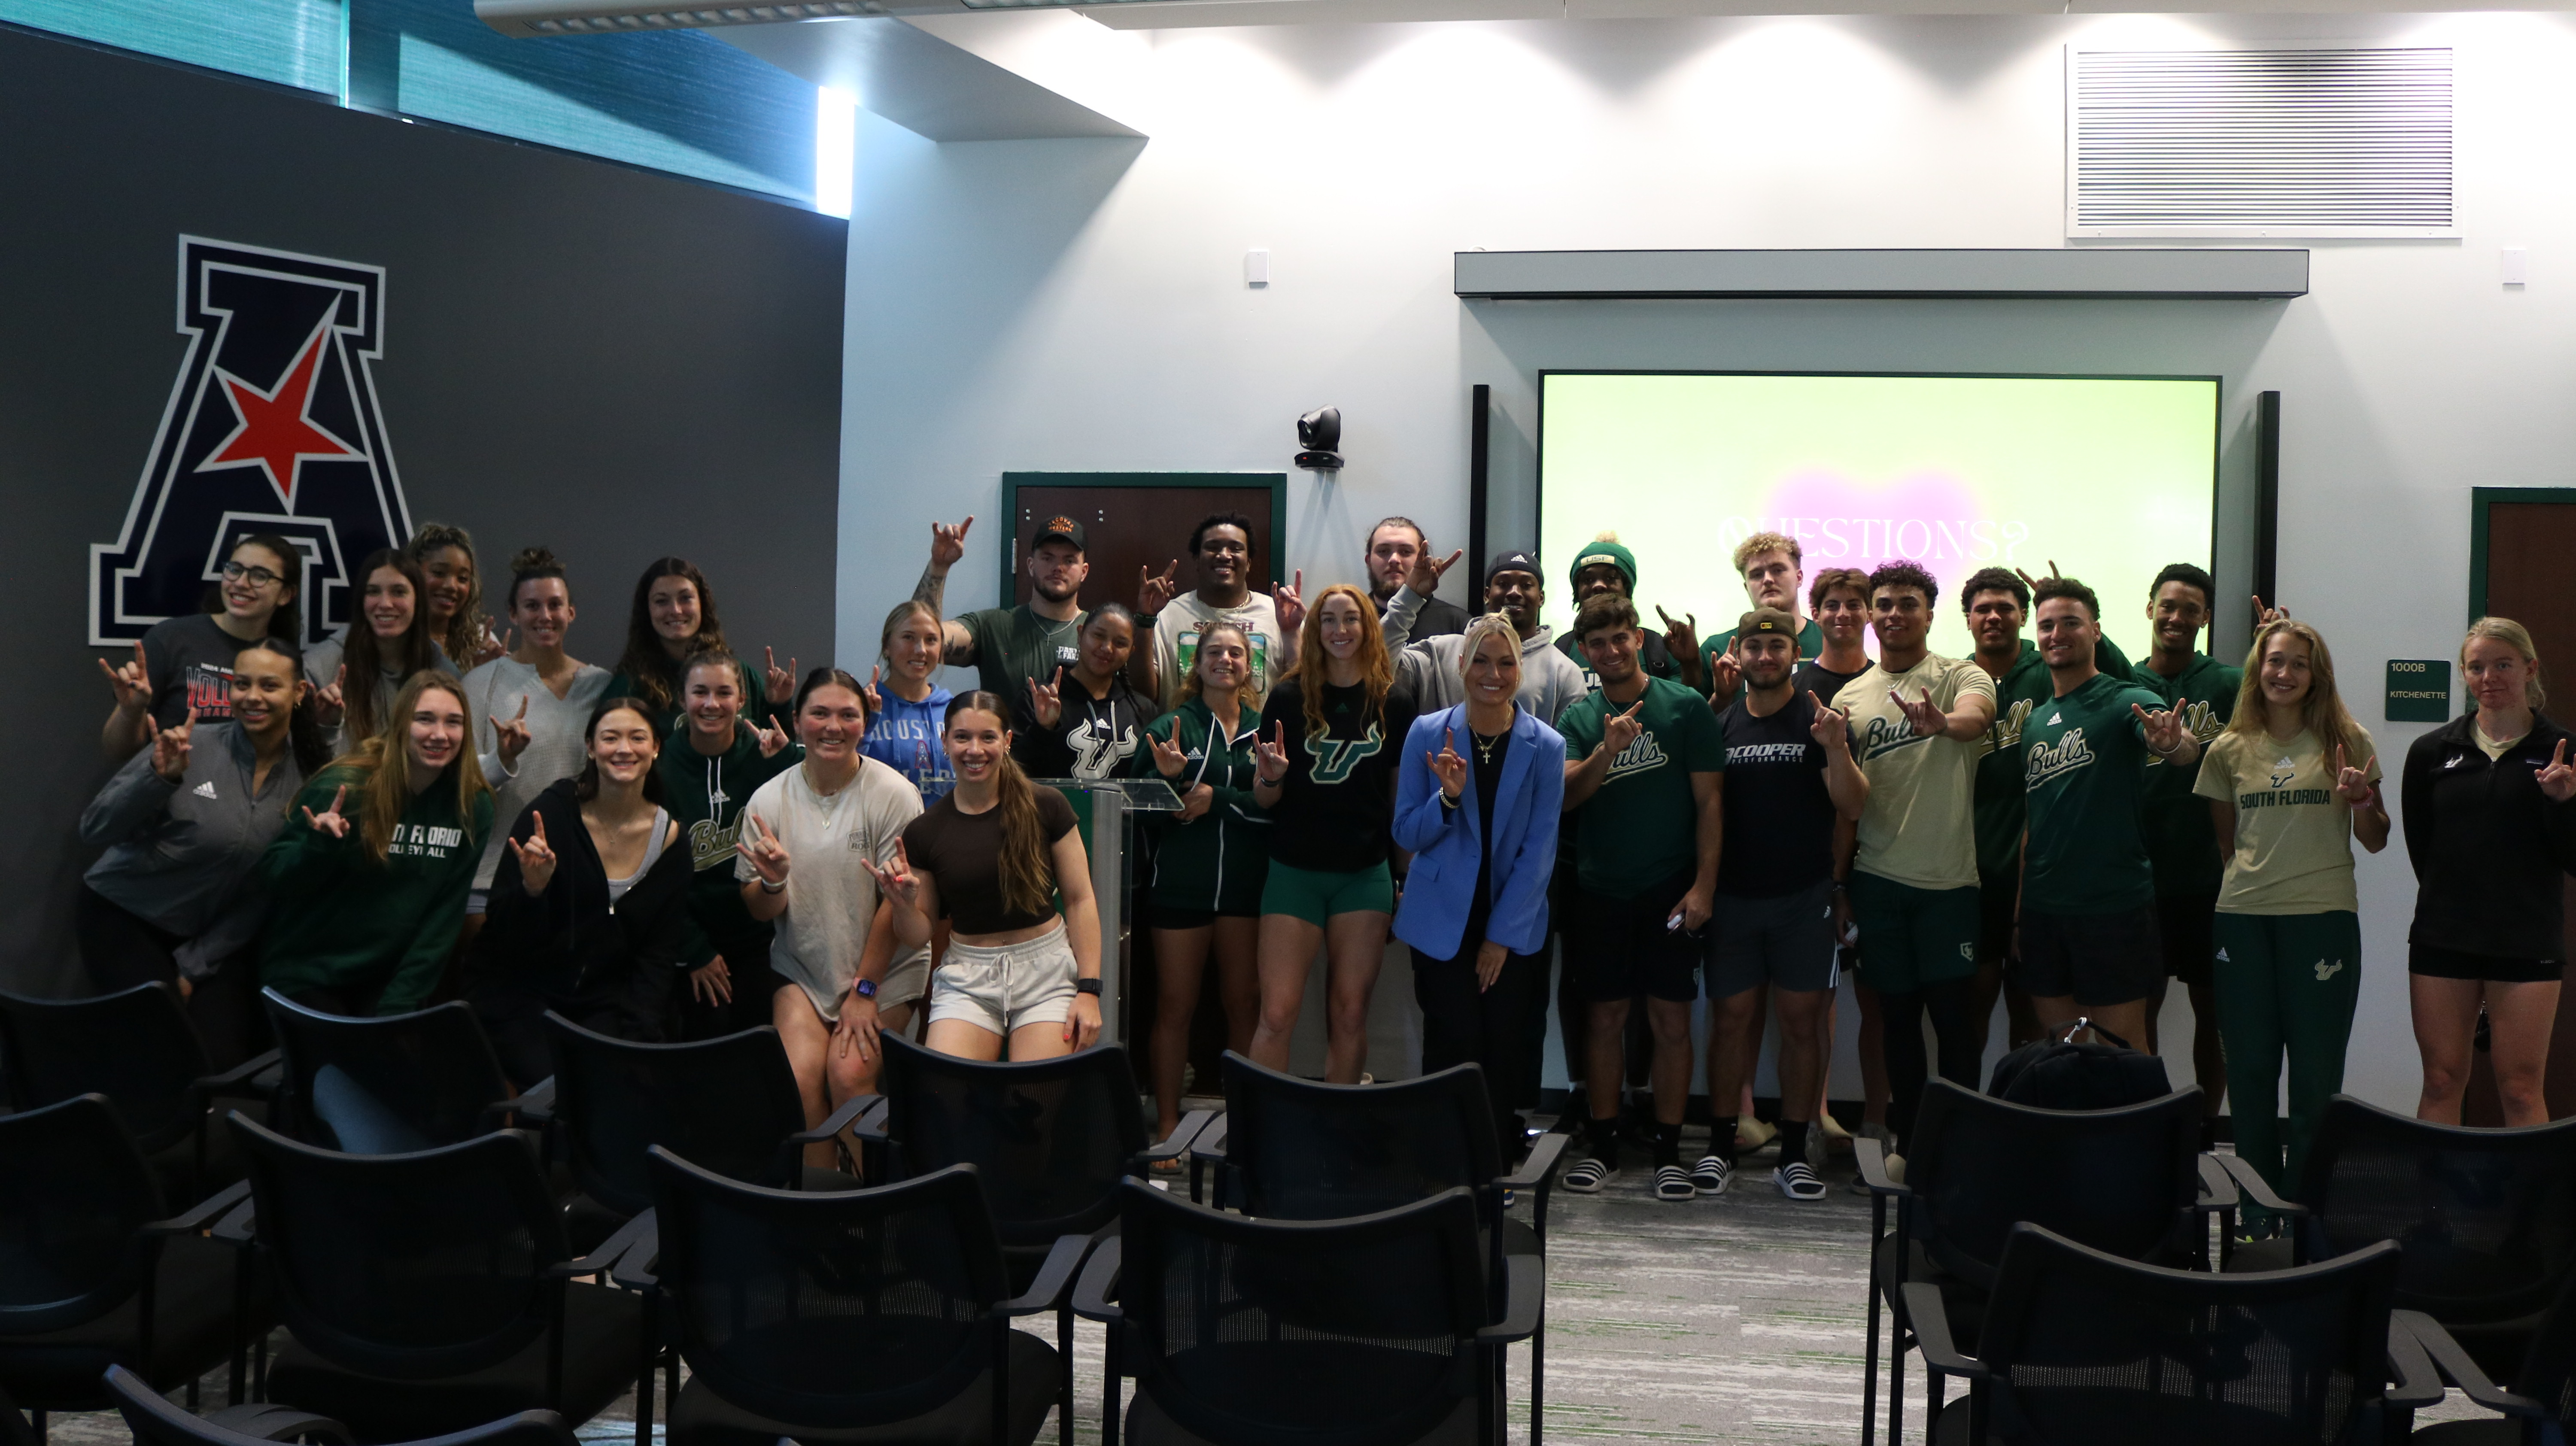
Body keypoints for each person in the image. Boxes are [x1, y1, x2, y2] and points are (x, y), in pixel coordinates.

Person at [2193, 619, 2387, 1213]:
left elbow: (2377, 839)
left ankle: (2306, 1211)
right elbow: (2229, 847)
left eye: (2298, 664)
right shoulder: (2229, 748)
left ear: (2316, 675)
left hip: (2321, 920)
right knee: (2249, 1075)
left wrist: (2361, 802)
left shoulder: (2347, 740)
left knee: (2314, 1079)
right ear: (2259, 668)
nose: (2285, 674)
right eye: (2276, 661)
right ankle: (2256, 1215)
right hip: (2244, 922)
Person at [79, 638, 328, 1066]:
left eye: (270, 685)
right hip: (126, 916)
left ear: (299, 693)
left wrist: (195, 965)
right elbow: (95, 828)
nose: (252, 697)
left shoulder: (311, 777)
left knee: (223, 1060)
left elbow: (264, 891)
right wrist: (158, 779)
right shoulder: (191, 744)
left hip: (214, 935)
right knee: (164, 1048)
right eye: (242, 683)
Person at [1554, 594, 1724, 1201]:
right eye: (1597, 644)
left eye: (1620, 638)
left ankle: (1670, 1151)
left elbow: (1710, 803)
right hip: (1600, 891)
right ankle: (1602, 1147)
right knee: (1604, 1019)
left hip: (1670, 893)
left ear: (1637, 638)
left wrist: (1704, 887)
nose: (1610, 651)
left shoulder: (1684, 708)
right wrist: (1608, 750)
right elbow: (1569, 799)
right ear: (1585, 652)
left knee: (1672, 1021)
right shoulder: (1580, 716)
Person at [1837, 562, 1996, 1164]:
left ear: (1929, 614)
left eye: (1909, 603)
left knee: (1955, 1026)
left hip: (1949, 885)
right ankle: (1911, 1143)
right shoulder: (1851, 696)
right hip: (1877, 881)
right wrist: (1840, 886)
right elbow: (1846, 804)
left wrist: (1943, 723)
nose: (1895, 614)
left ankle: (1960, 1147)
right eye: (1885, 604)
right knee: (1897, 1024)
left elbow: (1977, 718)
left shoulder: (1960, 675)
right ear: (1872, 615)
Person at [1708, 608, 1868, 1201]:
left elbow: (1852, 806)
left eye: (1778, 646)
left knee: (1802, 1027)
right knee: (1730, 1024)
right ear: (1739, 653)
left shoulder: (1820, 719)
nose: (1766, 657)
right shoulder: (1722, 721)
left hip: (1806, 902)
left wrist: (1835, 750)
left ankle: (1796, 1153)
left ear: (1794, 654)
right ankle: (1721, 1146)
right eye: (1756, 647)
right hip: (1734, 902)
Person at [1393, 615, 1564, 1161]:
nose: (1494, 673)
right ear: (1462, 666)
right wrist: (1445, 799)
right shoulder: (1427, 732)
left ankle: (1490, 1167)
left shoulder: (1547, 745)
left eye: (1506, 661)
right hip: (1441, 919)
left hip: (1511, 921)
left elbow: (1539, 850)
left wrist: (1500, 938)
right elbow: (1405, 831)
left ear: (1520, 669)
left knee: (1504, 1045)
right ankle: (1444, 1161)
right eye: (1482, 660)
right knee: (1452, 1041)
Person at [732, 670, 926, 1143]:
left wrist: (864, 991)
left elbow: (893, 907)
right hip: (804, 970)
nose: (833, 726)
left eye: (848, 715)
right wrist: (774, 883)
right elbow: (758, 908)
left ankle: (864, 1211)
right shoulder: (769, 798)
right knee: (796, 1083)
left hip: (886, 975)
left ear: (866, 723)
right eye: (820, 713)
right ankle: (820, 1209)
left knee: (848, 1078)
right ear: (797, 722)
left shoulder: (894, 793)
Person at [2401, 617, 2576, 1127]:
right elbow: (2423, 851)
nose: (2489, 677)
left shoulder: (2563, 751)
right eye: (2476, 667)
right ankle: (2434, 1208)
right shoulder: (2432, 752)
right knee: (2440, 1079)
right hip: (2443, 937)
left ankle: (2533, 1210)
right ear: (2464, 674)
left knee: (2521, 1089)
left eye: (2503, 664)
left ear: (2530, 668)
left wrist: (2565, 804)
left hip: (2526, 940)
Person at [866, 693, 1106, 1062]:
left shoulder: (1048, 805)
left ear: (1007, 741)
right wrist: (902, 906)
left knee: (1035, 1099)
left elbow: (1080, 900)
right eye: (962, 737)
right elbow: (918, 935)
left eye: (988, 738)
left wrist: (1089, 991)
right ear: (945, 741)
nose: (974, 750)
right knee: (947, 1097)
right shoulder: (925, 831)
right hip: (967, 978)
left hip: (1047, 974)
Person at [1960, 567, 2139, 1061]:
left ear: (2023, 618)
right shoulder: (1955, 678)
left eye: (2006, 608)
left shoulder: (2053, 670)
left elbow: (2122, 686)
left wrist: (2063, 606)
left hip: (2038, 871)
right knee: (1971, 1004)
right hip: (1969, 870)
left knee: (2034, 1010)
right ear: (1968, 620)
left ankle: (2032, 1118)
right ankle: (1975, 1124)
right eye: (1983, 609)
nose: (1994, 617)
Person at [470, 697, 696, 1086]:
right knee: (561, 1087)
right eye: (610, 738)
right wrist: (532, 890)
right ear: (590, 748)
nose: (624, 749)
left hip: (603, 1001)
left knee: (627, 1083)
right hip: (523, 996)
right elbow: (504, 936)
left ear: (656, 747)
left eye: (637, 738)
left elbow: (657, 956)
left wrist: (638, 1042)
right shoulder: (550, 815)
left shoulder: (671, 841)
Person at [2016, 575, 2199, 1052]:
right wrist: (2019, 913)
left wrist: (2172, 741)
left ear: (2096, 630)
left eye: (2071, 622)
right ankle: (2072, 1131)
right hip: (2043, 909)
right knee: (2063, 1047)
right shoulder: (2036, 719)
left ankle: (2136, 1131)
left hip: (2113, 907)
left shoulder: (2124, 699)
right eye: (2047, 625)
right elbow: (2033, 822)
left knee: (2124, 1048)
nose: (2058, 634)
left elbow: (2182, 749)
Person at [1249, 585, 1420, 1083]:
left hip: (1364, 874)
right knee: (1277, 1013)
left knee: (1349, 1014)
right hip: (1294, 871)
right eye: (1328, 620)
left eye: (1351, 619)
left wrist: (1403, 876)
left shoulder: (1396, 702)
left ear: (1368, 627)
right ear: (1314, 630)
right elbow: (1264, 799)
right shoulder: (1287, 695)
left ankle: (1335, 1133)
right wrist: (1273, 776)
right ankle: (1264, 1140)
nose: (1340, 630)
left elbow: (1398, 803)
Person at [258, 671, 494, 1017]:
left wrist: (398, 1005)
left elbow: (442, 920)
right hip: (307, 973)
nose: (440, 735)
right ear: (401, 724)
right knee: (335, 1070)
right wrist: (318, 846)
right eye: (425, 719)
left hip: (386, 979)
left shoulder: (472, 804)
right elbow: (273, 879)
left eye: (454, 723)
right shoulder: (346, 788)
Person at [1136, 621, 1270, 1145]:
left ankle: (1243, 1126)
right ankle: (1168, 1125)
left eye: (1236, 652)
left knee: (1245, 1006)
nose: (1226, 660)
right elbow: (1142, 813)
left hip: (1245, 892)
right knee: (1175, 1007)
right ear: (1197, 663)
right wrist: (1168, 779)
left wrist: (1220, 800)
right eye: (1215, 651)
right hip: (1178, 891)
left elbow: (1278, 814)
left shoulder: (1268, 729)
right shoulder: (1173, 725)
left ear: (1249, 665)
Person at [2130, 563, 2237, 1138]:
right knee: (2136, 1009)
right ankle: (2147, 1123)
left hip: (2210, 878)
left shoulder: (2228, 682)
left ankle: (2201, 1128)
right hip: (2138, 877)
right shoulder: (2122, 679)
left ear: (2206, 618)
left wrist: (2275, 642)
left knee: (2213, 1011)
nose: (2176, 618)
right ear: (2150, 609)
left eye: (2190, 610)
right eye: (2167, 606)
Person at [460, 548, 611, 928]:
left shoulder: (603, 687)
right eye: (531, 606)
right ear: (513, 613)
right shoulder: (480, 684)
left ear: (571, 613)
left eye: (555, 605)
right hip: (494, 872)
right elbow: (458, 781)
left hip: (581, 871)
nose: (545, 616)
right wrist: (503, 760)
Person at [659, 649, 799, 1040]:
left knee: (759, 1046)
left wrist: (784, 757)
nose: (711, 704)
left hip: (761, 938)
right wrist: (695, 950)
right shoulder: (660, 766)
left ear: (742, 700)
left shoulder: (763, 752)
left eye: (724, 693)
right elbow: (655, 875)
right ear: (683, 698)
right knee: (708, 1042)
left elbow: (806, 802)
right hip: (693, 941)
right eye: (700, 692)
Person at [99, 533, 303, 759]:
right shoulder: (171, 638)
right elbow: (117, 751)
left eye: (260, 576)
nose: (241, 583)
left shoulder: (283, 660)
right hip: (172, 786)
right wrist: (131, 711)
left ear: (286, 595)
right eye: (235, 569)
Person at [915, 516, 1156, 702]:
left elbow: (1142, 699)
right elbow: (923, 642)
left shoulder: (1102, 636)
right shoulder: (993, 626)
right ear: (1030, 566)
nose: (1058, 567)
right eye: (1048, 558)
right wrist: (939, 567)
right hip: (1004, 764)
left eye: (1069, 560)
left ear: (1084, 572)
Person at [1382, 549, 1587, 722]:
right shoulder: (1440, 652)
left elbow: (1567, 754)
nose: (1514, 592)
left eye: (1526, 585)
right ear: (1487, 595)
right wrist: (1411, 596)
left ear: (1541, 598)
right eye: (1504, 584)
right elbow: (1377, 665)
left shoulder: (1564, 672)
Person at [605, 557, 793, 740]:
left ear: (702, 604)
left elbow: (780, 755)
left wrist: (779, 705)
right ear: (647, 611)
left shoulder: (741, 674)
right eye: (662, 601)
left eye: (686, 598)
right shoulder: (628, 685)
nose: (676, 610)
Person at [1146, 512, 1304, 708]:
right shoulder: (1169, 616)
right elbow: (1143, 693)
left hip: (1258, 737)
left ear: (1248, 563)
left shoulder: (1279, 615)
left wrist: (1291, 632)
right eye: (1212, 548)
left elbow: (1302, 690)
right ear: (1197, 559)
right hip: (1183, 735)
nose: (1224, 555)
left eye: (1236, 548)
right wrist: (1144, 619)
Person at [306, 549, 455, 750]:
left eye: (399, 592)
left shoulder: (443, 673)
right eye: (373, 592)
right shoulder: (320, 666)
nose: (385, 604)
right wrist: (327, 726)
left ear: (418, 600)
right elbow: (302, 762)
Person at [1017, 604, 1148, 781]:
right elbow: (1012, 771)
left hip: (1119, 809)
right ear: (1080, 634)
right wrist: (1043, 729)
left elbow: (1148, 780)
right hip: (1052, 809)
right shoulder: (1039, 698)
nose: (1107, 648)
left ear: (1131, 652)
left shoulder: (1142, 709)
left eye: (1120, 643)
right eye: (1099, 636)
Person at [1557, 533, 1698, 691]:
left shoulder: (1656, 647)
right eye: (1588, 580)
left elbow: (1684, 707)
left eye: (1610, 578)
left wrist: (1690, 663)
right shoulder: (1561, 650)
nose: (1598, 585)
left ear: (1627, 588)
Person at [1704, 532, 1827, 708]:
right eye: (1756, 575)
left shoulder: (1827, 640)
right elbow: (1696, 726)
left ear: (1799, 578)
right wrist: (1722, 698)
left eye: (1778, 570)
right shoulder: (1716, 649)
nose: (1768, 580)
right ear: (1747, 587)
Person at [860, 600, 955, 806]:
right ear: (887, 646)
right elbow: (842, 776)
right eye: (909, 638)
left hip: (942, 833)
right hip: (882, 831)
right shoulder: (863, 706)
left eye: (931, 640)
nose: (921, 650)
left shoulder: (954, 710)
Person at [407, 522, 505, 672]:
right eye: (439, 573)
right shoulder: (394, 641)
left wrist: (482, 674)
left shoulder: (480, 640)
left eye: (462, 578)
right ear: (413, 573)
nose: (452, 586)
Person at [1363, 516, 1467, 640]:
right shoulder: (1351, 620)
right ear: (1368, 561)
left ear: (1424, 561)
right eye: (1384, 551)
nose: (1394, 560)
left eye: (1406, 552)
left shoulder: (1456, 623)